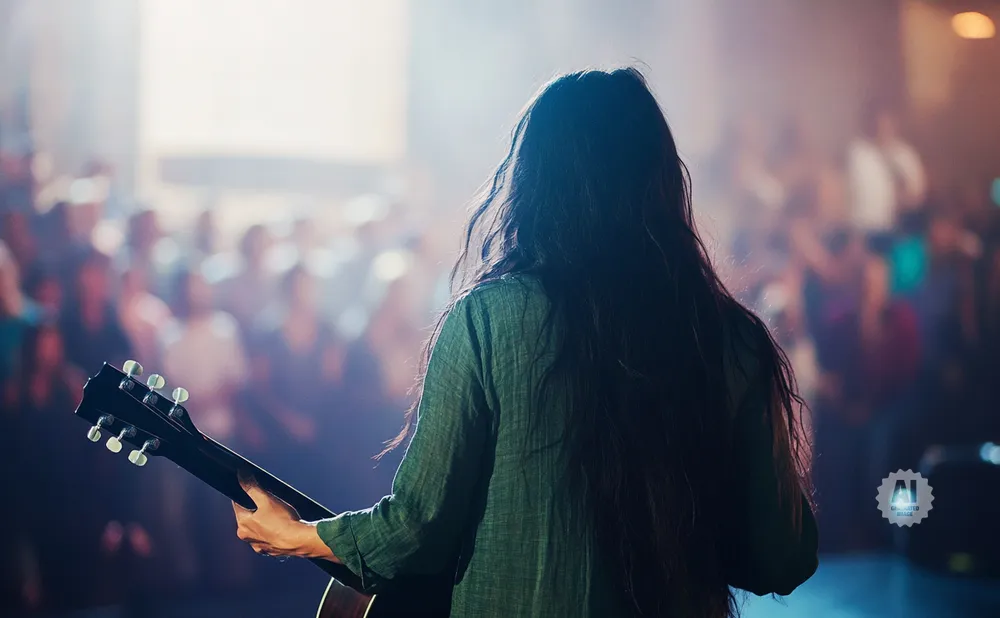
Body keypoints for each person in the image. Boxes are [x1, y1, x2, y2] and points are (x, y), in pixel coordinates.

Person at [231, 68, 818, 617]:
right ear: (663, 182)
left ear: (533, 183)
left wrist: (297, 536)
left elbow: (419, 527)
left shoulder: (487, 320)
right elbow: (780, 558)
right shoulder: (734, 339)